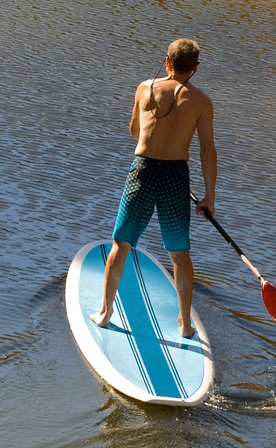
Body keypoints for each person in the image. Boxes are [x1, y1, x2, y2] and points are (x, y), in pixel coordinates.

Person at [90, 38, 217, 338]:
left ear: (168, 62)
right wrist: (209, 196)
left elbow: (135, 129)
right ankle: (185, 324)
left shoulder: (145, 87)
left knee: (121, 244)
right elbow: (207, 151)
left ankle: (105, 313)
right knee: (179, 253)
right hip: (175, 177)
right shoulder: (202, 102)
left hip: (143, 171)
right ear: (195, 68)